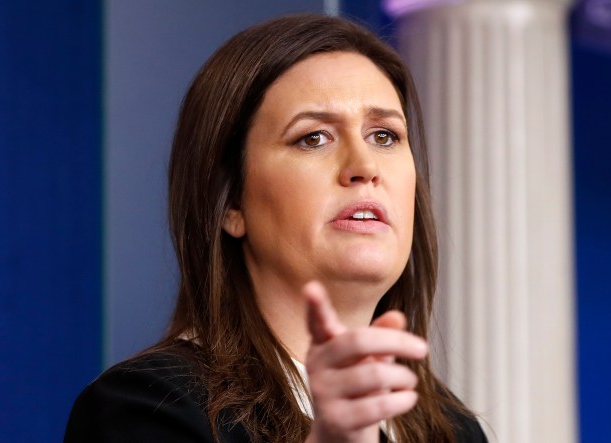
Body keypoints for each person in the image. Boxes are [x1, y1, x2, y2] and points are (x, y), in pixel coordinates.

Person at [64, 14, 487, 443]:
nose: (365, 167)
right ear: (230, 202)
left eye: (384, 136)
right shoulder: (144, 409)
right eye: (314, 138)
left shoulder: (454, 429)